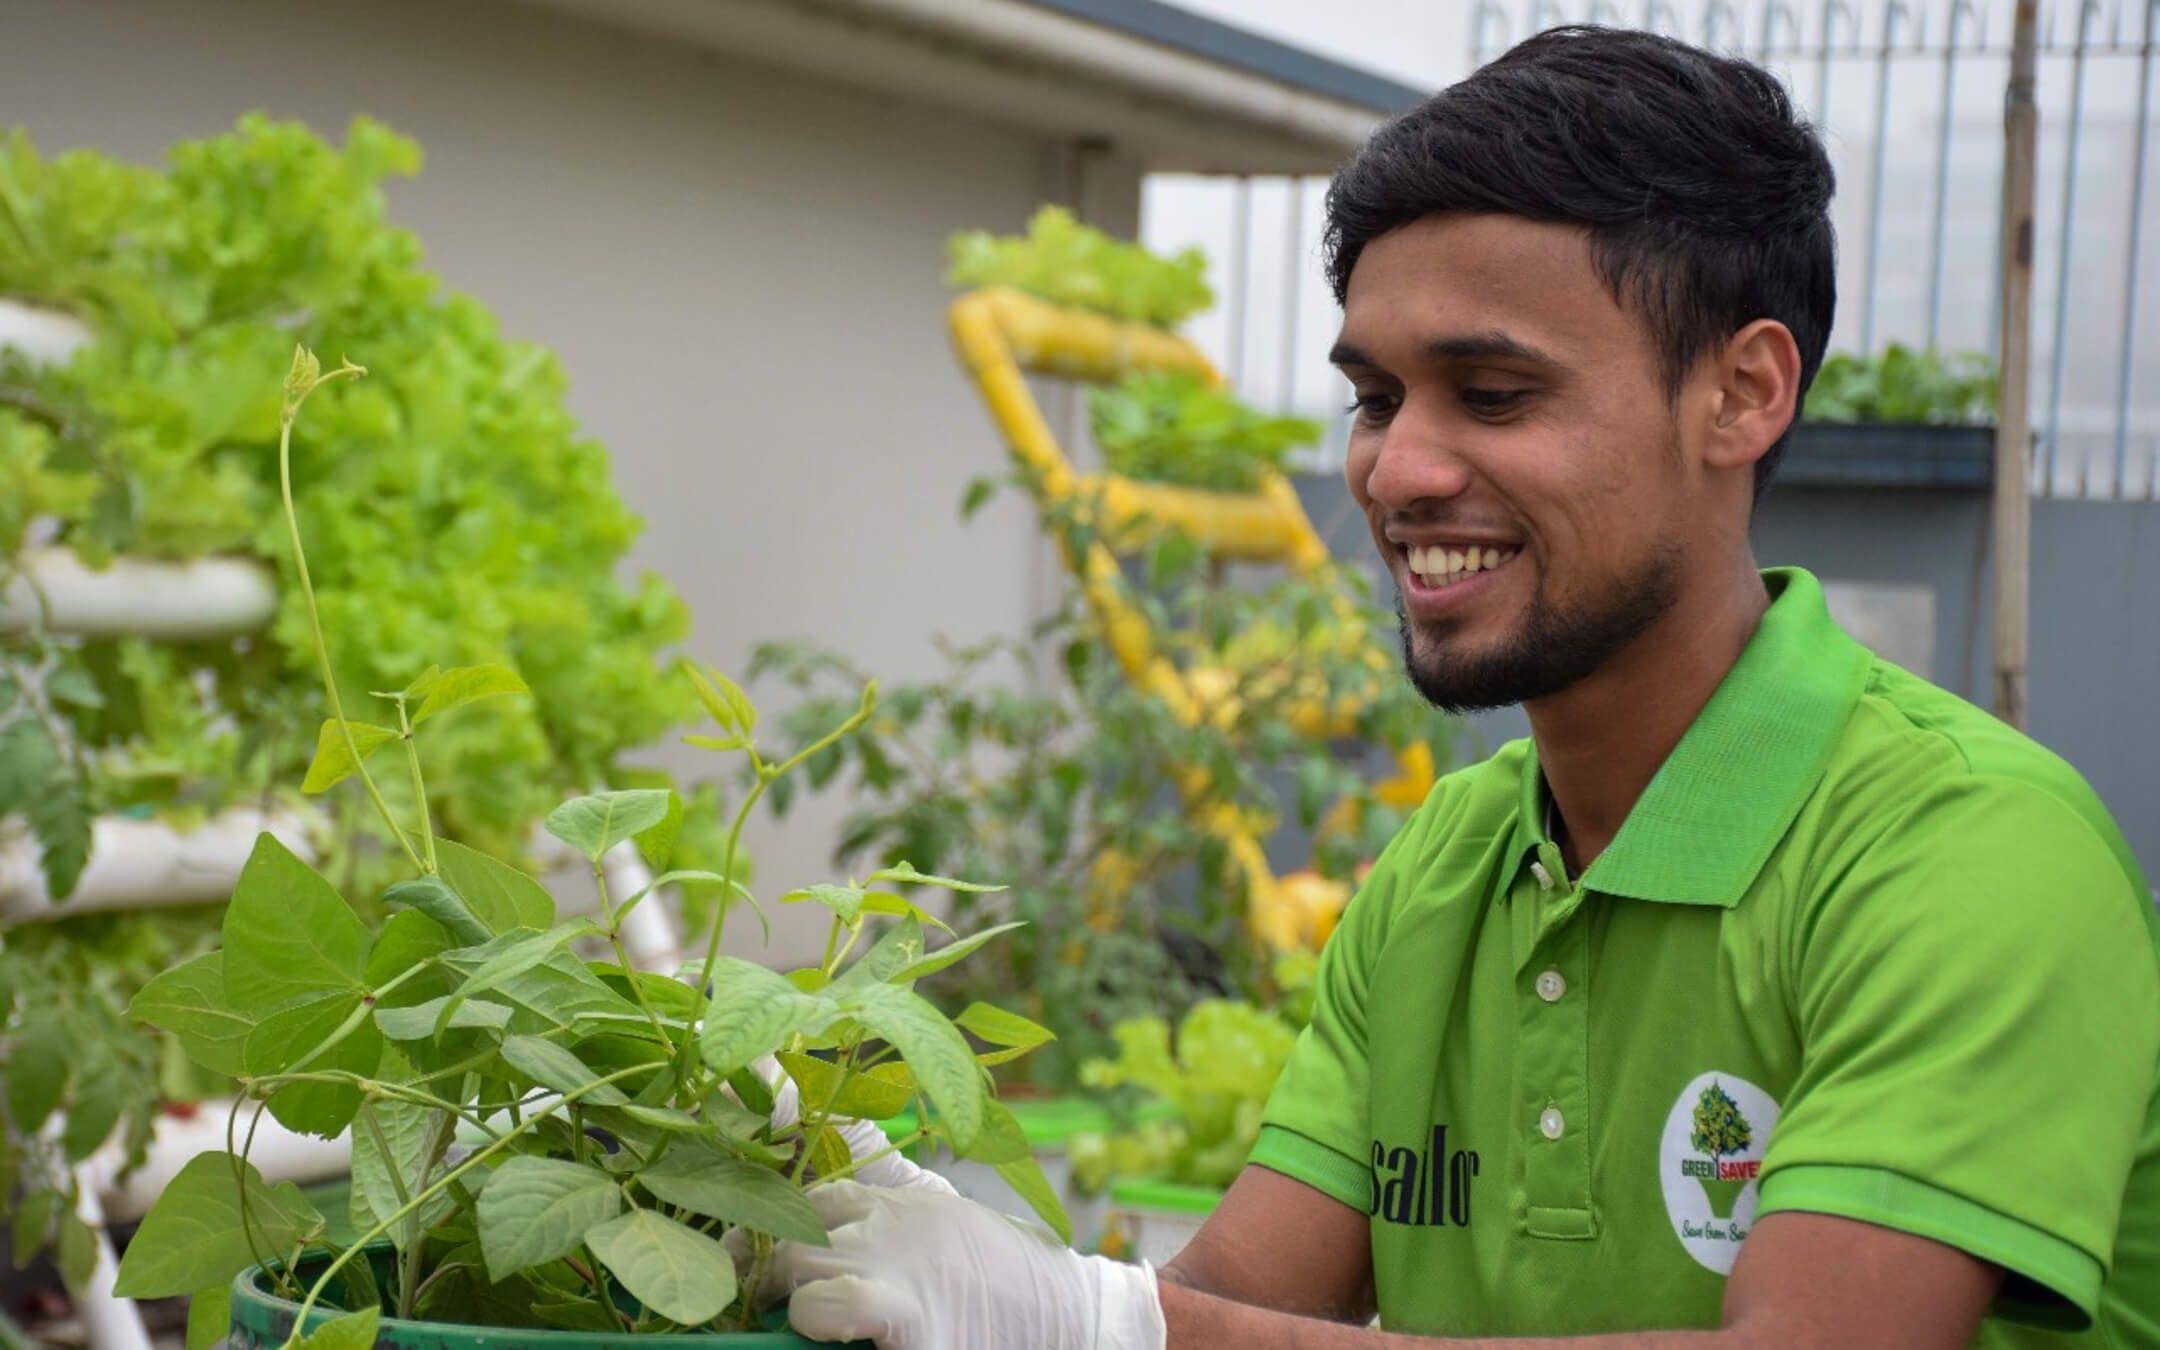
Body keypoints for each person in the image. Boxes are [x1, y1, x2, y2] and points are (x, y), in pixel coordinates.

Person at [757, 25, 2160, 1349]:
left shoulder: (1964, 852)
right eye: (1375, 397)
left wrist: (1101, 1319)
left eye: (1493, 395)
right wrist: (936, 1252)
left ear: (1741, 394)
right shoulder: (1449, 870)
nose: (1398, 469)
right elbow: (1235, 1300)